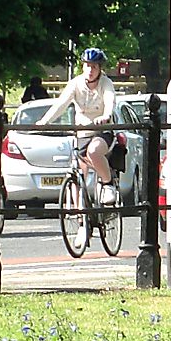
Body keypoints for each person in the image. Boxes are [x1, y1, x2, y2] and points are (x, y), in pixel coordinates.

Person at [38, 47, 116, 241]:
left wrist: (105, 116)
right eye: (87, 66)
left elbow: (110, 102)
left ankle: (108, 184)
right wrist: (44, 122)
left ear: (100, 68)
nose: (90, 70)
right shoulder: (75, 84)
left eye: (94, 66)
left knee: (94, 151)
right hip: (82, 133)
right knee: (77, 177)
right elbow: (60, 104)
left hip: (102, 131)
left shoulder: (106, 83)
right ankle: (82, 223)